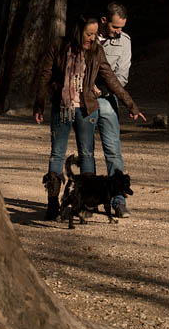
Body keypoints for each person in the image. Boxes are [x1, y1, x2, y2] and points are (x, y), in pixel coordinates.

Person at [33, 15, 146, 220]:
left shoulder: (96, 50)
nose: (93, 38)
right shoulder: (59, 45)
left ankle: (85, 205)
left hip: (87, 110)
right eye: (89, 34)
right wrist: (39, 105)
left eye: (94, 34)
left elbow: (111, 79)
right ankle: (52, 203)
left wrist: (131, 105)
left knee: (87, 155)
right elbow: (45, 75)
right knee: (56, 155)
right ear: (78, 32)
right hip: (62, 107)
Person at [94, 2, 133, 218]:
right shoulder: (87, 37)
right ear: (104, 20)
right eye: (115, 27)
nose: (118, 31)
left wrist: (102, 90)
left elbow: (122, 76)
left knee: (113, 151)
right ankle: (89, 199)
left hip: (107, 98)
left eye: (121, 28)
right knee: (85, 151)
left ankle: (118, 200)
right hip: (82, 99)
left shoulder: (124, 41)